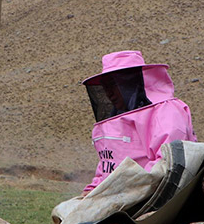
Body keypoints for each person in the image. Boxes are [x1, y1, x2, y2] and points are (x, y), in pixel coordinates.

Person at [82, 50, 196, 193]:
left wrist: (119, 191)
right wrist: (90, 192)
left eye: (113, 85)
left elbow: (168, 164)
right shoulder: (115, 119)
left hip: (158, 196)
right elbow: (107, 166)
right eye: (105, 87)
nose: (109, 93)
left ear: (130, 83)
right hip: (121, 194)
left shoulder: (166, 112)